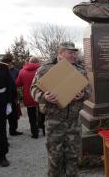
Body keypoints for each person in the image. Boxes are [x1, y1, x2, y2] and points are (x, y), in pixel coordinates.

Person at [30, 42, 92, 177]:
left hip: (74, 120)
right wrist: (44, 96)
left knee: (73, 154)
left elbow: (88, 89)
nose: (73, 55)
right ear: (60, 53)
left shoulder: (80, 70)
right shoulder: (45, 69)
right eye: (70, 52)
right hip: (54, 121)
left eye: (74, 53)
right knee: (55, 155)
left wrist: (83, 95)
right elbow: (33, 89)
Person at [16, 56, 45, 139]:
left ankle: (34, 133)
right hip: (40, 95)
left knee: (31, 116)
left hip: (28, 96)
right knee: (43, 114)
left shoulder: (22, 71)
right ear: (38, 62)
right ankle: (44, 131)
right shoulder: (41, 70)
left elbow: (18, 83)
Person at [0, 43, 12, 167]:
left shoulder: (3, 67)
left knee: (1, 130)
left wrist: (9, 103)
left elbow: (9, 86)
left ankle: (2, 156)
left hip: (0, 102)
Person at [0, 57, 23, 136]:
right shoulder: (1, 73)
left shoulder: (9, 72)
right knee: (2, 118)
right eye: (9, 64)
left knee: (13, 115)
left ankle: (12, 130)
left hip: (12, 97)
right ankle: (3, 134)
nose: (10, 65)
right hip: (4, 98)